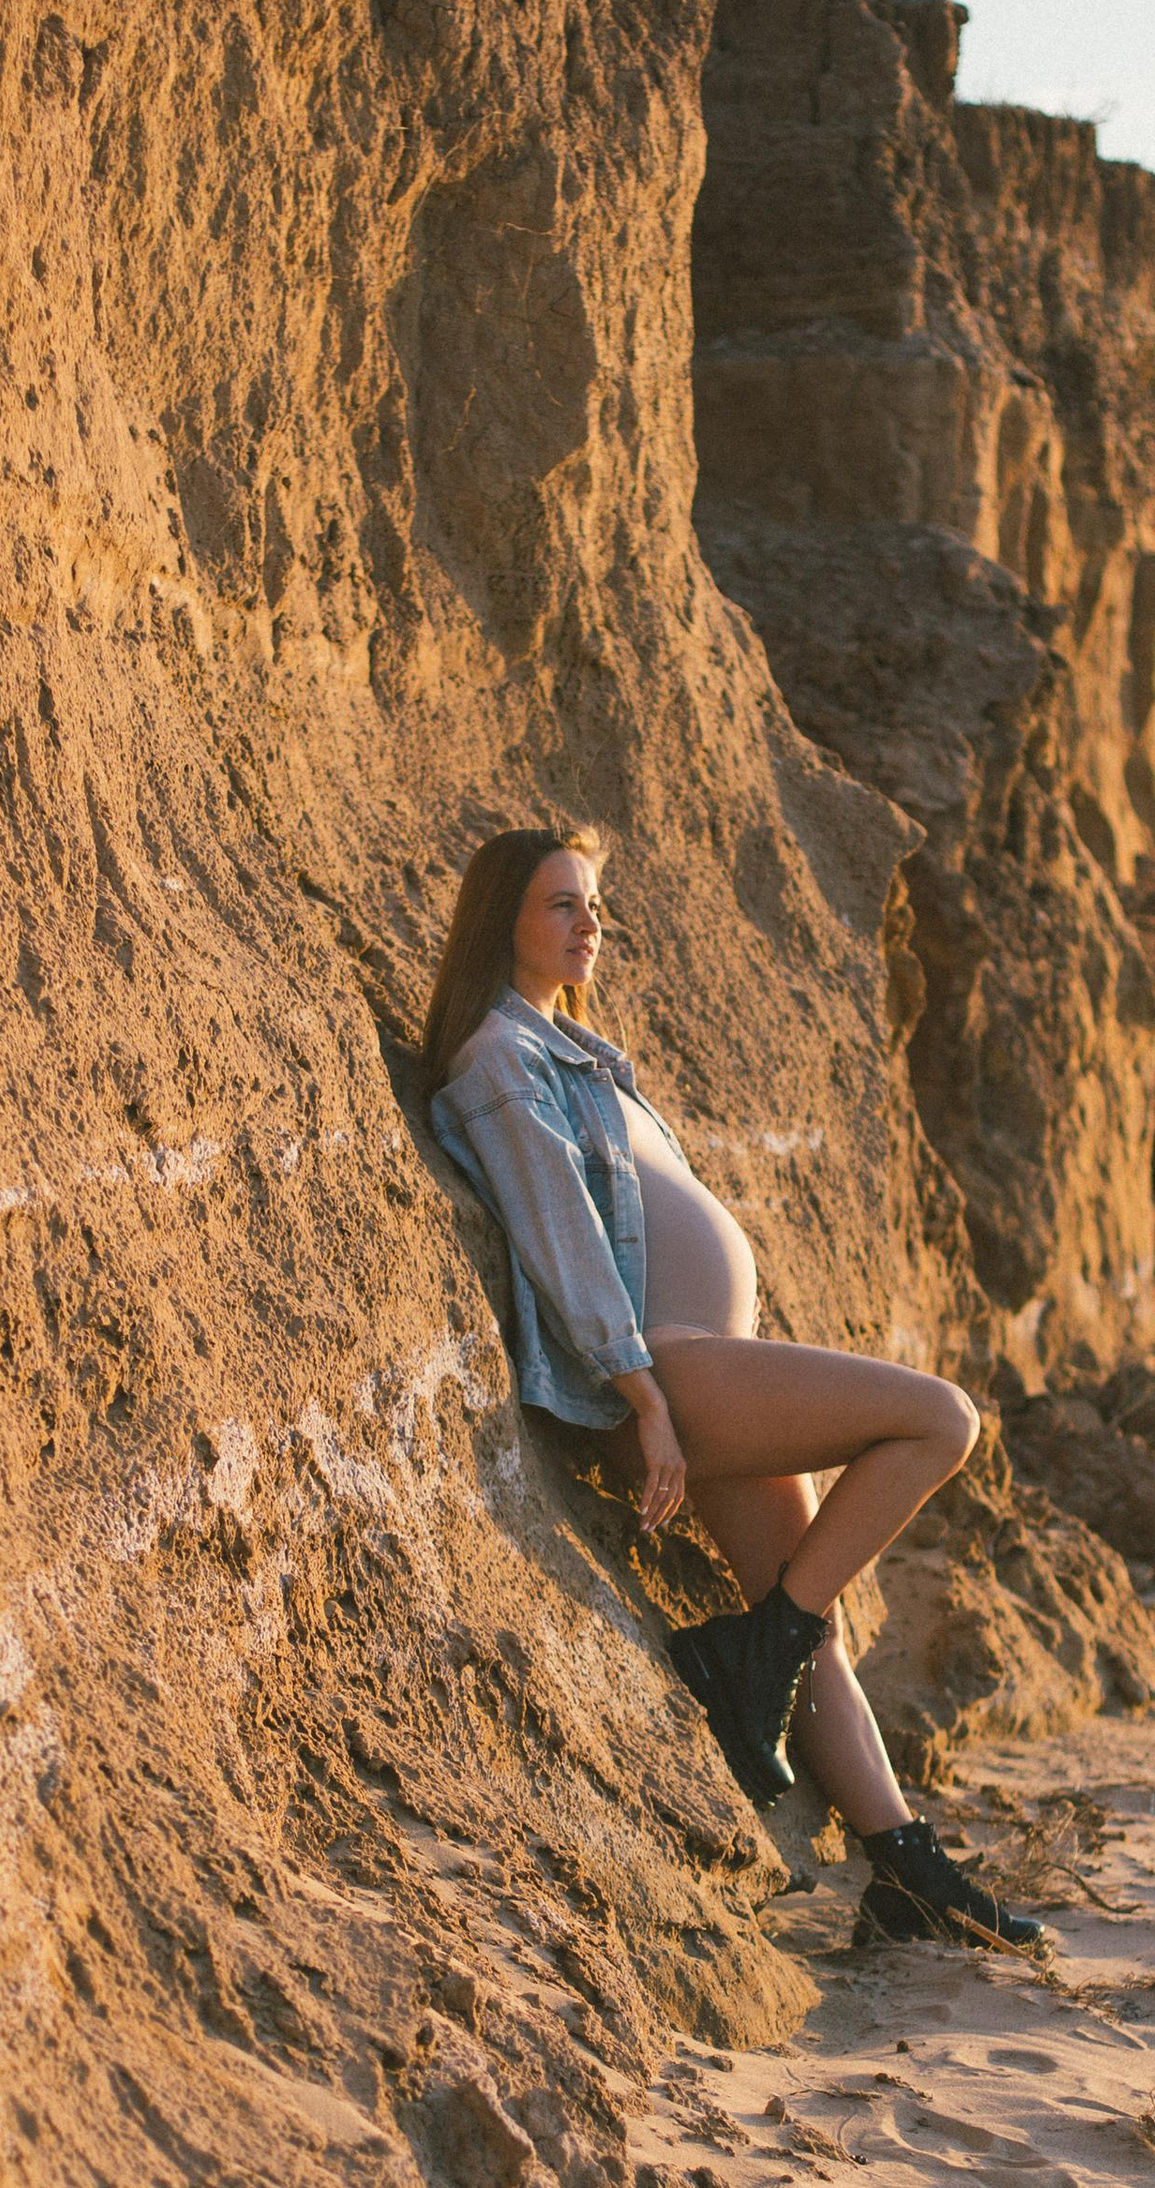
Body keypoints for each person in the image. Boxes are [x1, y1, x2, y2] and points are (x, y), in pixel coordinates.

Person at [424, 826, 1041, 1953]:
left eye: (594, 902)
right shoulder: (499, 1063)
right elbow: (563, 1248)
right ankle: (746, 1657)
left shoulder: (583, 1055)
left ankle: (903, 1867)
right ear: (501, 921)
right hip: (666, 1377)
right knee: (938, 1419)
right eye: (561, 904)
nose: (588, 922)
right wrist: (648, 1402)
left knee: (814, 1637)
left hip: (703, 1368)